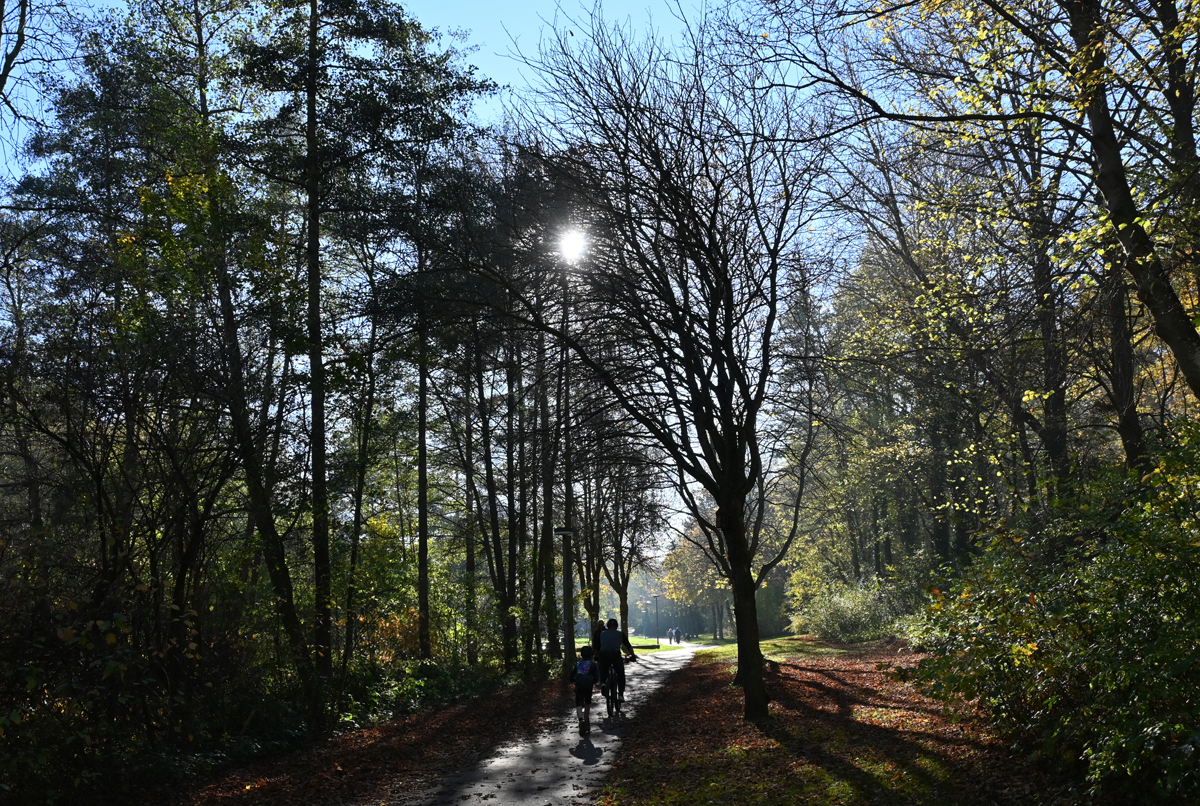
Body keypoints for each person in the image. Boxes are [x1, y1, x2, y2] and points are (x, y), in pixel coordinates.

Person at [597, 618, 634, 701]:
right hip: (615, 656)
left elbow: (599, 646)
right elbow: (628, 646)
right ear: (616, 626)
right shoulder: (620, 634)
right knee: (620, 674)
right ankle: (620, 695)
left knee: (603, 669)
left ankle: (603, 683)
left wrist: (597, 655)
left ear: (607, 626)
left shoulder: (602, 634)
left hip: (604, 655)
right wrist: (633, 655)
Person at [570, 645, 598, 734]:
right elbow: (596, 678)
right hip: (588, 685)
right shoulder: (593, 664)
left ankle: (581, 720)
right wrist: (593, 681)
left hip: (579, 685)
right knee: (587, 703)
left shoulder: (578, 665)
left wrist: (575, 680)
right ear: (591, 655)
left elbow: (571, 677)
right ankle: (586, 721)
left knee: (578, 703)